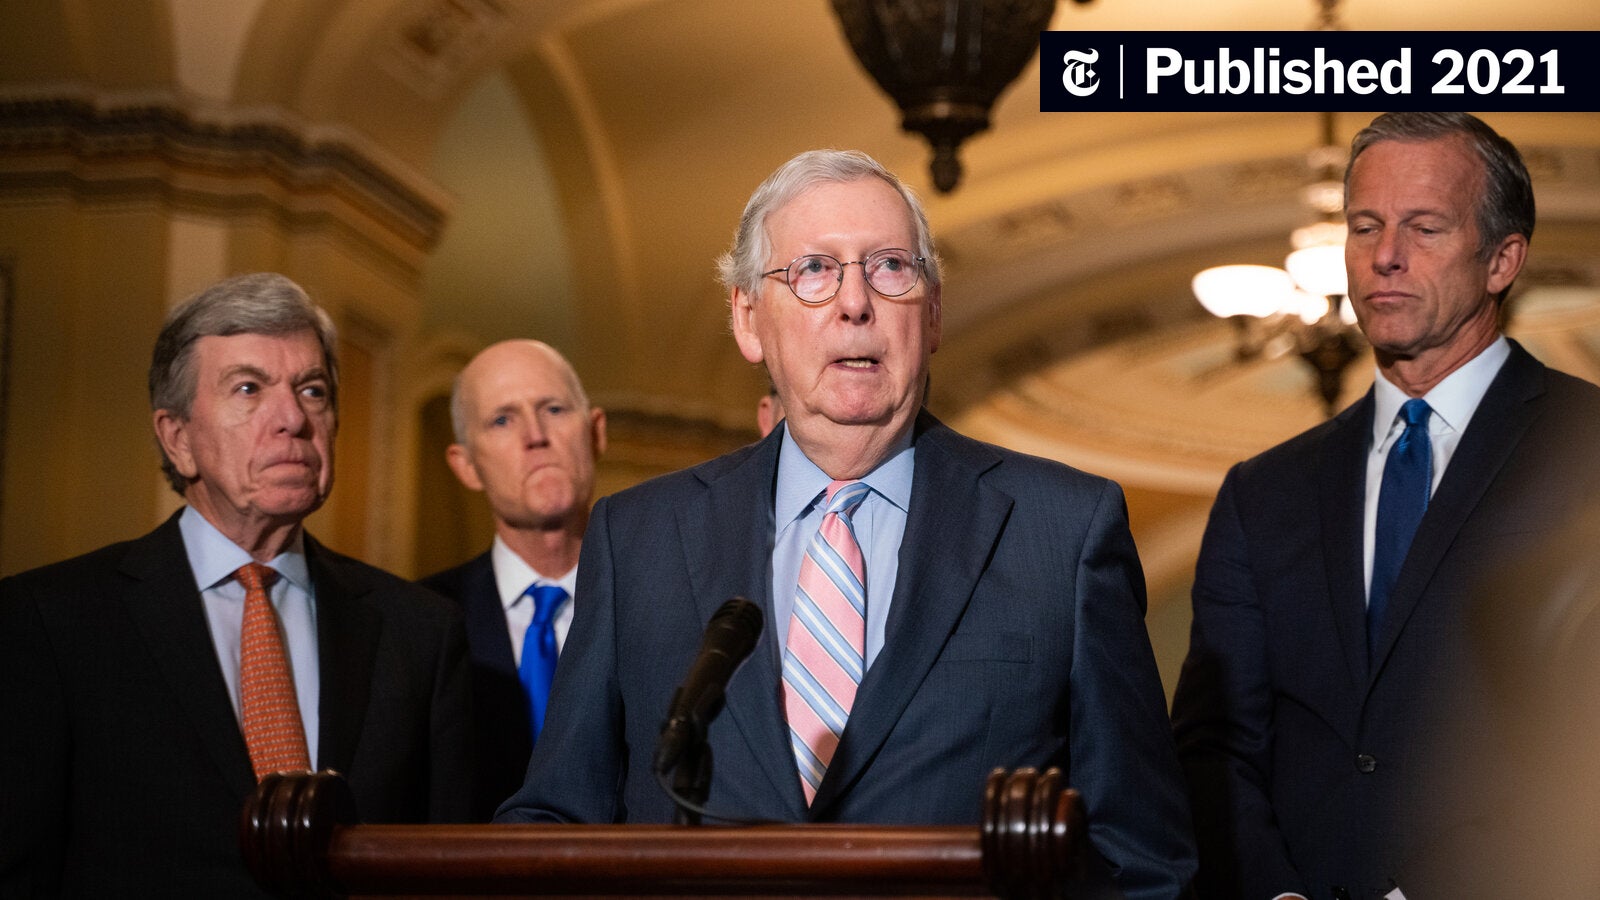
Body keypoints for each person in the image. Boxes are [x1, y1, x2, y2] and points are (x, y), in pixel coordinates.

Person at [497, 149, 1196, 899]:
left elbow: (1143, 860)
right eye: (814, 271)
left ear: (932, 314)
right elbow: (557, 818)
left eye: (890, 268)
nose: (855, 303)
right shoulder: (638, 537)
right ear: (748, 320)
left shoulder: (1063, 530)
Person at [1170, 112, 1600, 900]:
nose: (1384, 256)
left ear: (1503, 259)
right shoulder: (1262, 494)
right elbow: (1214, 746)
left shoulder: (1588, 449)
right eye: (1365, 226)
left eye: (1424, 228)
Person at [0, 273, 474, 895]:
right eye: (249, 388)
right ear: (178, 439)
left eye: (312, 391)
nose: (293, 419)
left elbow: (448, 873)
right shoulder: (52, 623)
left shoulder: (421, 632)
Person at [419, 339, 606, 821]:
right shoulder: (418, 624)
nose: (535, 436)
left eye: (553, 409)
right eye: (503, 420)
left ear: (596, 433)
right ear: (465, 465)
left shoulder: (666, 604)